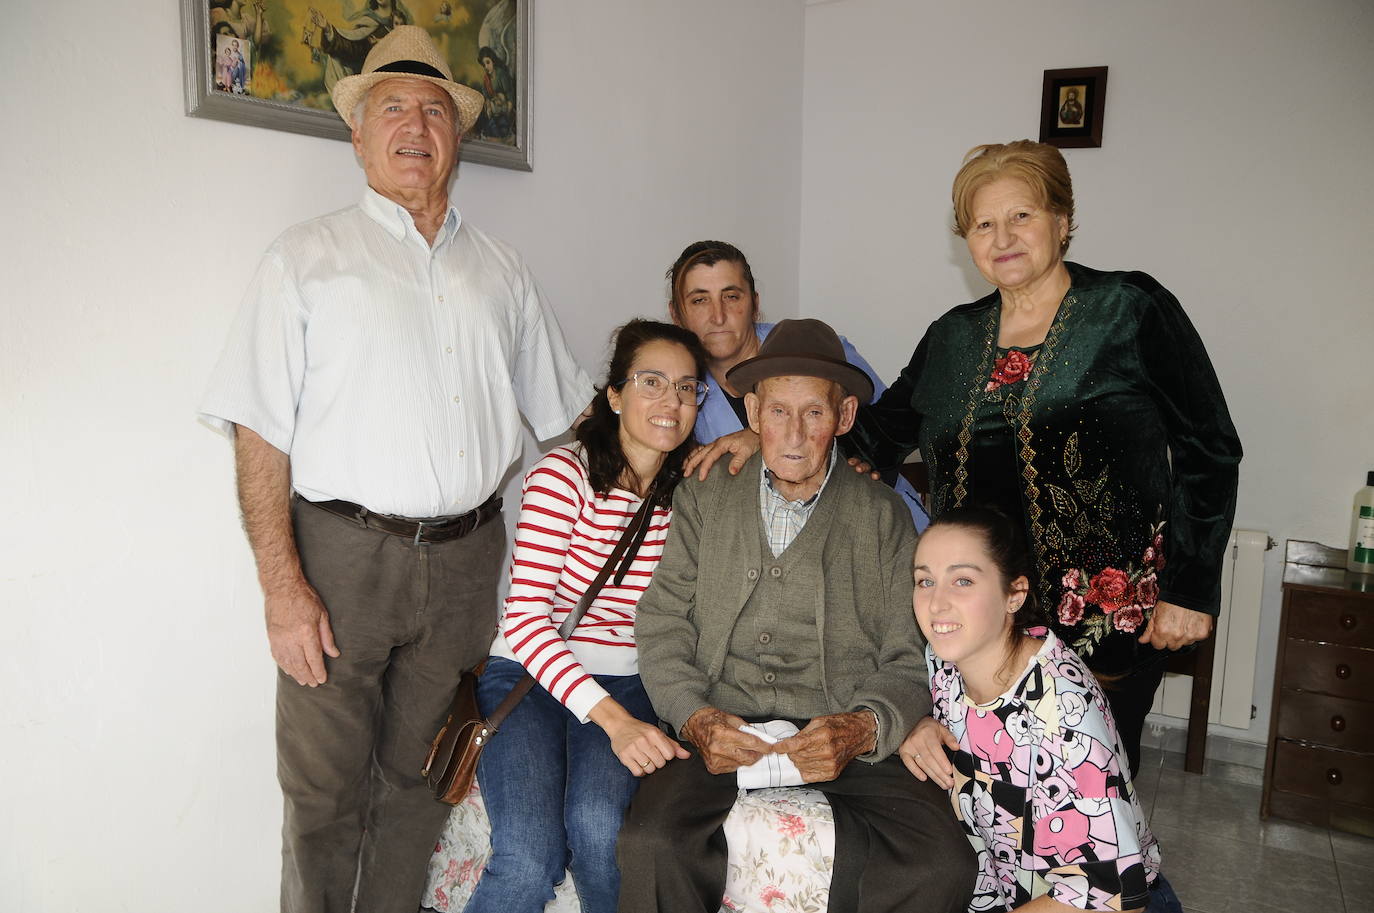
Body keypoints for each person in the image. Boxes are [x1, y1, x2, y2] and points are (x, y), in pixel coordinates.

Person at [198, 26, 592, 913]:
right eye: (393, 108)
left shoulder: (502, 271)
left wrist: (701, 434)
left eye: (435, 110)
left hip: (467, 562)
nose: (415, 126)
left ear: (457, 135)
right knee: (323, 795)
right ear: (358, 133)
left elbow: (573, 418)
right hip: (341, 561)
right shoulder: (305, 258)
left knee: (419, 785)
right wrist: (282, 588)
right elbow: (257, 431)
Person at [848, 140, 1242, 775]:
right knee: (981, 789)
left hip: (1102, 624)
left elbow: (1209, 447)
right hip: (977, 620)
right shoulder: (951, 336)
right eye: (983, 224)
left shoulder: (1127, 309)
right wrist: (766, 429)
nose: (1003, 238)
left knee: (1085, 793)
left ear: (1062, 221)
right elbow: (872, 439)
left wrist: (1190, 589)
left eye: (1021, 216)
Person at [618, 319, 975, 913]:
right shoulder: (704, 495)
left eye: (814, 413)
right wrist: (695, 716)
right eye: (778, 411)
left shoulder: (883, 515)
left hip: (840, 722)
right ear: (753, 412)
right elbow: (662, 620)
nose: (794, 434)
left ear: (845, 416)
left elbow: (908, 652)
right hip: (722, 719)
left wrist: (865, 726)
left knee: (942, 863)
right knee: (651, 842)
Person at [463, 320, 707, 913]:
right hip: (531, 673)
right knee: (528, 858)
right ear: (615, 395)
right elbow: (525, 623)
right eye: (652, 382)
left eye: (686, 388)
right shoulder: (562, 476)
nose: (671, 401)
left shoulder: (693, 492)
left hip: (630, 676)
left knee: (601, 833)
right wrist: (617, 723)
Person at [901, 506, 1181, 913]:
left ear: (1014, 595)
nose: (936, 604)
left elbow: (1115, 897)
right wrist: (918, 722)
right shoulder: (947, 661)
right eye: (925, 581)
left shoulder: (1062, 716)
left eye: (963, 581)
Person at [667, 240, 929, 530]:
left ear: (754, 304)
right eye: (699, 300)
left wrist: (762, 437)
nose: (718, 316)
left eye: (731, 296)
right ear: (676, 314)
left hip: (881, 524)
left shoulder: (819, 349)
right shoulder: (678, 392)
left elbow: (890, 429)